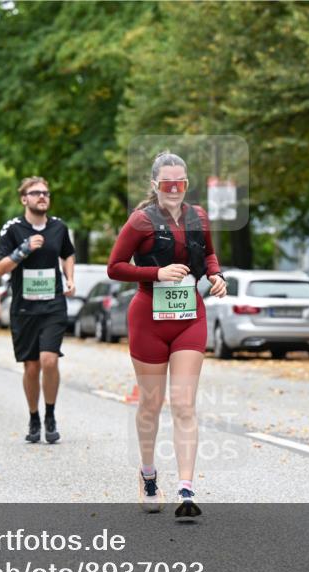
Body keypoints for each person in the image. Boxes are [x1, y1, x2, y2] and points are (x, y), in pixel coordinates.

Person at [107, 151, 226, 519]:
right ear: (156, 185)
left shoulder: (199, 217)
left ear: (186, 184)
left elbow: (207, 254)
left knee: (184, 403)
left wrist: (216, 275)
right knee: (151, 404)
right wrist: (155, 274)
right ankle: (148, 475)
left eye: (181, 183)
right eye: (167, 183)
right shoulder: (141, 221)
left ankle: (186, 488)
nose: (174, 189)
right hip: (149, 318)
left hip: (190, 316)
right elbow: (114, 268)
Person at [0, 177, 76, 444]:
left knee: (49, 360)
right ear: (24, 199)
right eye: (35, 193)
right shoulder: (13, 229)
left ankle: (50, 414)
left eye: (45, 192)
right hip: (24, 308)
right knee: (31, 366)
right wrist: (23, 250)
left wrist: (70, 277)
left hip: (53, 305)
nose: (42, 196)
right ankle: (33, 416)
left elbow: (68, 254)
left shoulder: (58, 227)